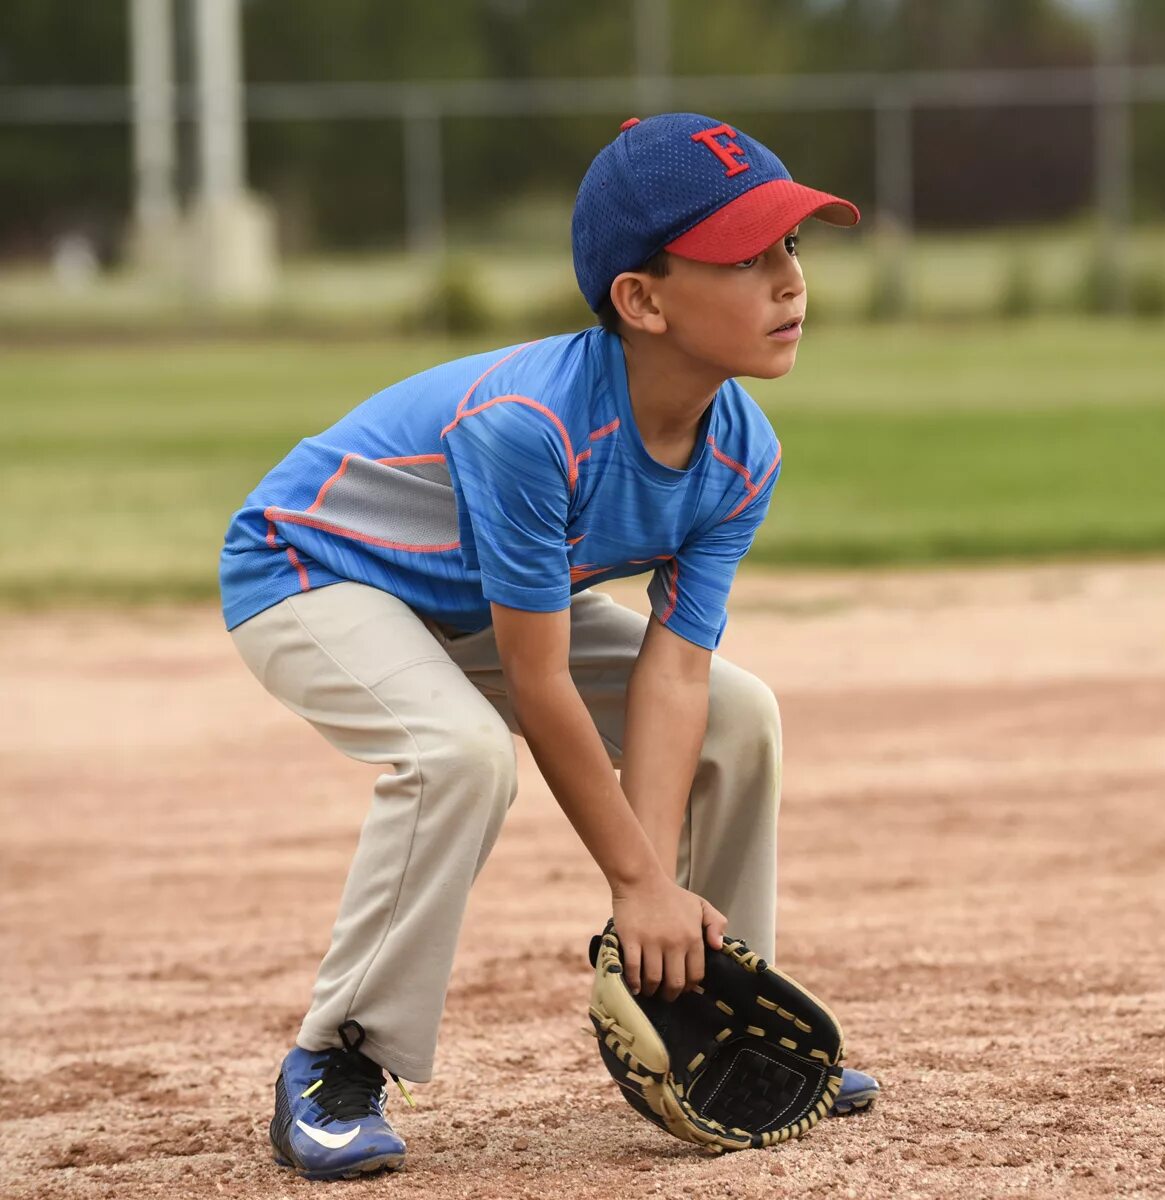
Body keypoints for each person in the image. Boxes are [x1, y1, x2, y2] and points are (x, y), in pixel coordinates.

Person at [220, 112, 879, 1181]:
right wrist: (632, 877)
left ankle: (708, 1003)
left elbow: (677, 670)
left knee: (738, 713)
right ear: (642, 299)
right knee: (459, 754)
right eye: (744, 256)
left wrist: (650, 903)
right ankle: (337, 1060)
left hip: (472, 601)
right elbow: (535, 681)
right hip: (313, 572)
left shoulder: (742, 450)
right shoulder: (533, 424)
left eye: (791, 247)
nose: (789, 281)